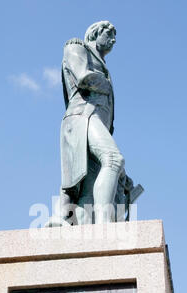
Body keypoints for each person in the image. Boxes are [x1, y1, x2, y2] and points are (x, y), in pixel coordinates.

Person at [60, 20, 126, 224]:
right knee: (114, 159)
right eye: (110, 34)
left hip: (95, 122)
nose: (113, 40)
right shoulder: (76, 46)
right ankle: (105, 226)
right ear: (95, 33)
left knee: (87, 193)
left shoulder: (102, 64)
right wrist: (105, 84)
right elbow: (83, 77)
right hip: (83, 117)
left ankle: (88, 232)